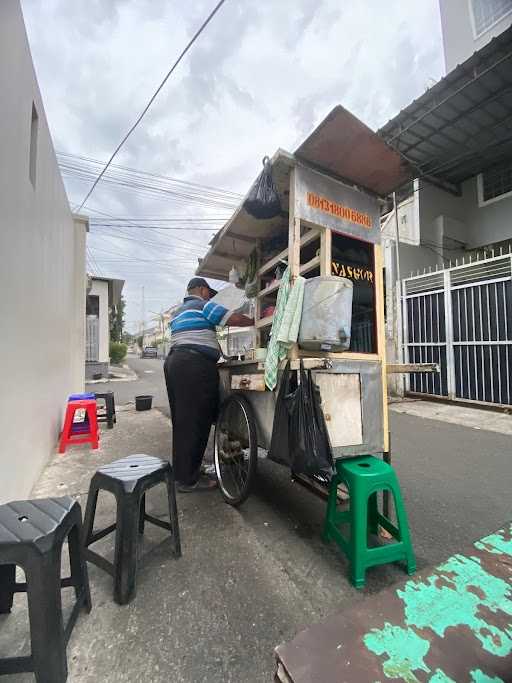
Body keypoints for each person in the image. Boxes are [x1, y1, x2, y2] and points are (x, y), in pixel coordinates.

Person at [164, 277, 254, 492]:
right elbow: (233, 319)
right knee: (197, 421)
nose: (209, 296)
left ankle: (186, 471)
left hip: (175, 363)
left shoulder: (180, 311)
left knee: (183, 421)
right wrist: (255, 320)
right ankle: (187, 481)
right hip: (193, 365)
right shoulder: (202, 305)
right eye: (208, 293)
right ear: (202, 290)